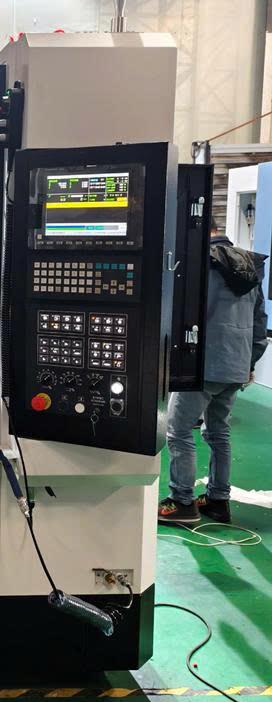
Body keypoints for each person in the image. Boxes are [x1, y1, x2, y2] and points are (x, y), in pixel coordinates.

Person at [158, 224, 268, 525]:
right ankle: (218, 500)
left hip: (202, 366)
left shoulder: (200, 264)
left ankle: (182, 501)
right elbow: (260, 323)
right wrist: (248, 363)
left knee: (178, 430)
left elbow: (180, 314)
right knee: (218, 432)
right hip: (236, 365)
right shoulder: (250, 266)